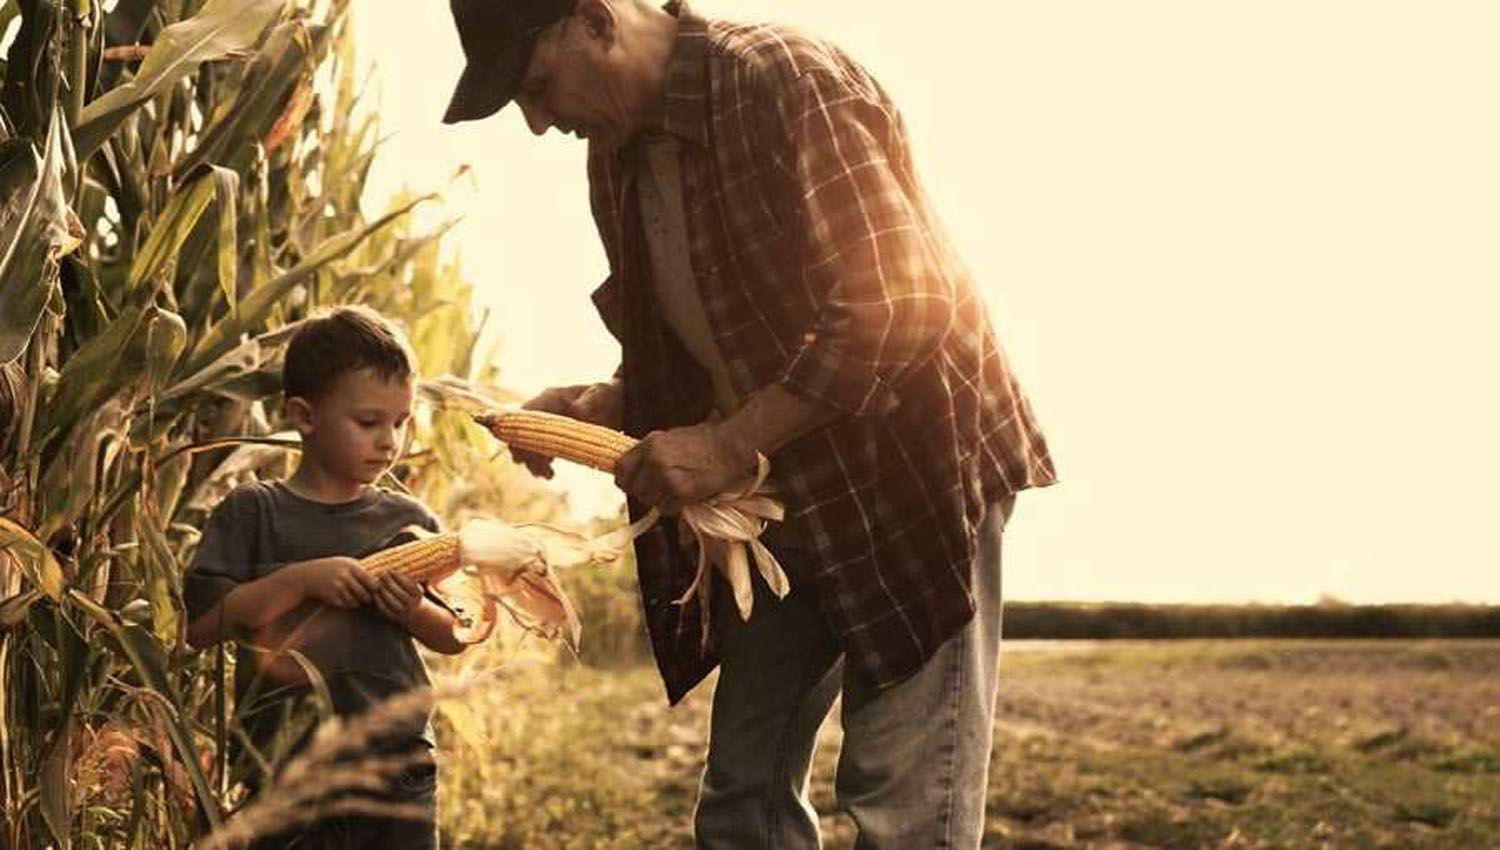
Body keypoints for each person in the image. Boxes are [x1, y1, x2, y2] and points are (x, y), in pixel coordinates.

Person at [443, 1, 1058, 846]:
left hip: (911, 472)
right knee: (743, 792)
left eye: (538, 86)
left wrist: (730, 444)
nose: (540, 121)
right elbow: (695, 340)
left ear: (595, 19)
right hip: (780, 489)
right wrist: (605, 402)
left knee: (899, 797)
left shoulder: (784, 80)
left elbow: (902, 305)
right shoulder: (614, 151)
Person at [184, 305, 466, 849]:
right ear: (304, 416)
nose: (389, 442)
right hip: (284, 773)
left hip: (397, 768)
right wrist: (301, 581)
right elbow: (200, 627)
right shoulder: (252, 514)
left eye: (400, 423)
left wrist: (410, 609)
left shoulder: (409, 522)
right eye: (369, 423)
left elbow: (453, 634)